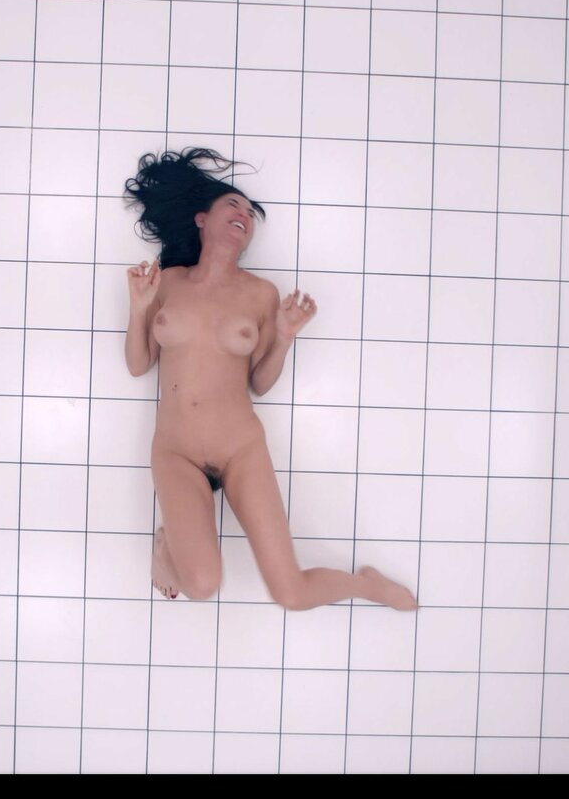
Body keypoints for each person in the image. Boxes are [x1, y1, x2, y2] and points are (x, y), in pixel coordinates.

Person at [122, 148, 418, 611]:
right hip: (176, 450)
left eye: (250, 213)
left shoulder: (261, 293)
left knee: (291, 594)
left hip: (239, 447)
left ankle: (367, 585)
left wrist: (282, 336)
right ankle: (166, 550)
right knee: (201, 585)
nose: (244, 214)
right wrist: (139, 308)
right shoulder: (169, 282)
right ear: (202, 219)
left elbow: (259, 383)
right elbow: (139, 365)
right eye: (232, 205)